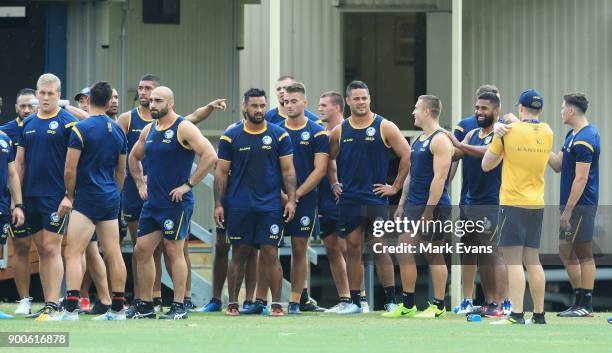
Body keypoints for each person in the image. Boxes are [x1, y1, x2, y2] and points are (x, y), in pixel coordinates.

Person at [118, 74, 226, 316]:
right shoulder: (149, 129)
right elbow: (133, 157)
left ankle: (179, 305)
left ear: (170, 103)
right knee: (141, 250)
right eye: (151, 100)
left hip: (176, 202)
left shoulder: (183, 127)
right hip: (152, 201)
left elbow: (209, 155)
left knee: (173, 250)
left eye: (158, 100)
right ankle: (145, 304)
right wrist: (139, 183)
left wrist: (188, 185)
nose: (152, 104)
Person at [328, 81, 410, 314]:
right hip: (350, 199)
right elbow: (329, 159)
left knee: (379, 247)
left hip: (375, 198)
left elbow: (406, 155)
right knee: (353, 249)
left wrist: (395, 187)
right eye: (356, 98)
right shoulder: (339, 131)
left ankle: (391, 300)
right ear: (348, 101)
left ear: (369, 99)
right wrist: (334, 182)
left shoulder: (385, 126)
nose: (361, 102)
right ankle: (356, 302)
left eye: (364, 98)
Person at [216, 88, 296, 316]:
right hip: (239, 206)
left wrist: (291, 200)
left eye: (262, 105)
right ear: (244, 106)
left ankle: (277, 304)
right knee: (239, 253)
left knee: (271, 253)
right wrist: (219, 204)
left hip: (270, 206)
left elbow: (288, 171)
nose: (259, 110)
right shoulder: (230, 136)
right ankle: (232, 303)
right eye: (254, 106)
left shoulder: (279, 135)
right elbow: (221, 173)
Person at [60, 81, 129, 321]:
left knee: (73, 252)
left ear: (88, 101)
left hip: (87, 197)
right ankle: (118, 309)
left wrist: (70, 195)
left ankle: (70, 309)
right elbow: (122, 172)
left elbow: (70, 169)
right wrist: (114, 193)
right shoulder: (118, 130)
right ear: (110, 100)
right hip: (110, 197)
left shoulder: (81, 129)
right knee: (113, 252)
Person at [484, 89, 553, 325]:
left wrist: (498, 133)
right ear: (540, 110)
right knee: (533, 260)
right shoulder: (547, 132)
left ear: (521, 108)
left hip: (513, 202)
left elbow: (486, 164)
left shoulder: (506, 132)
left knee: (513, 261)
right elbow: (529, 127)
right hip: (537, 203)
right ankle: (539, 315)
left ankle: (516, 315)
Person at [16, 73, 79, 320]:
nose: (45, 98)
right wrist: (17, 200)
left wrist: (69, 196)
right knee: (41, 250)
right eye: (41, 93)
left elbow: (76, 164)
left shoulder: (68, 122)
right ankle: (48, 303)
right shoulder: (28, 124)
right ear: (37, 93)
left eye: (50, 94)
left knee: (52, 248)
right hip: (31, 195)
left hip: (56, 197)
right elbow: (19, 163)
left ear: (58, 95)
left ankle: (53, 304)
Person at [384, 95, 453, 319]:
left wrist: (429, 212)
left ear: (427, 111)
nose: (413, 112)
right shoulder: (419, 139)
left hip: (433, 207)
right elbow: (411, 176)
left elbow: (440, 180)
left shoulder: (441, 139)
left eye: (416, 108)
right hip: (413, 205)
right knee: (403, 251)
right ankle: (409, 304)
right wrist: (402, 204)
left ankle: (439, 306)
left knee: (434, 254)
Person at [446, 92, 507, 317]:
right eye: (477, 108)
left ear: (496, 111)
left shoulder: (501, 134)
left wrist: (457, 143)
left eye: (484, 108)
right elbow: (454, 154)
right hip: (471, 201)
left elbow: (487, 153)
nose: (479, 112)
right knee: (479, 253)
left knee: (493, 253)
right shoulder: (472, 133)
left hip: (492, 201)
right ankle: (489, 302)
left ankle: (500, 304)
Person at [278, 83, 329, 314]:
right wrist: (283, 196)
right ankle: (269, 300)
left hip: (304, 199)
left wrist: (295, 196)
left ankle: (295, 301)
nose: (289, 105)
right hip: (275, 199)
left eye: (294, 101)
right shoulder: (275, 130)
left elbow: (320, 170)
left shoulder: (318, 132)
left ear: (305, 103)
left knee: (300, 248)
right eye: (286, 101)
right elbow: (270, 168)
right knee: (268, 250)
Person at [548, 93, 599, 317]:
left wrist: (567, 211)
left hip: (581, 205)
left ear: (571, 110)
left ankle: (585, 304)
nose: (560, 112)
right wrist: (538, 145)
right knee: (565, 250)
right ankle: (578, 300)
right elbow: (558, 165)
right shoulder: (572, 134)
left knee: (584, 253)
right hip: (571, 205)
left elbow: (581, 179)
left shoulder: (585, 138)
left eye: (562, 108)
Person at [0, 88, 35, 315]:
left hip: (36, 199)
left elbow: (12, 172)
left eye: (30, 106)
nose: (26, 110)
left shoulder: (3, 139)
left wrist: (18, 202)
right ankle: (24, 300)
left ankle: (49, 301)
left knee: (42, 249)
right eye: (21, 106)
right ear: (14, 108)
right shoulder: (6, 131)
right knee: (20, 248)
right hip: (10, 202)